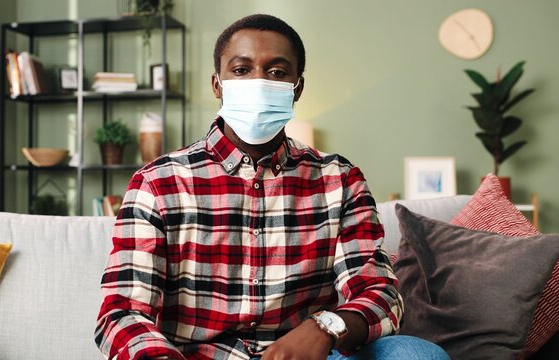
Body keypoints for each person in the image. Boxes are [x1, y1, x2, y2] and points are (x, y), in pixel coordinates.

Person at [95, 14, 450, 360]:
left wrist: (325, 327)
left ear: (298, 87)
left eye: (277, 72)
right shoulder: (158, 182)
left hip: (314, 354)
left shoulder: (340, 178)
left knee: (417, 354)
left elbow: (379, 294)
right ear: (217, 84)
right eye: (241, 69)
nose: (259, 81)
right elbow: (122, 313)